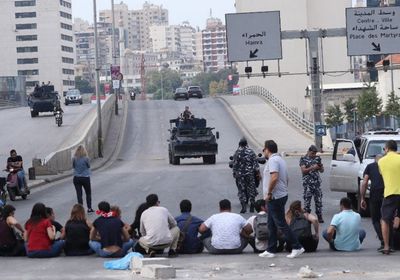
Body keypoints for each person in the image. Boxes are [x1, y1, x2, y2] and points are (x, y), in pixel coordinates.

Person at [260, 140, 305, 259]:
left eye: (263, 149)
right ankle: (271, 249)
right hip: (277, 196)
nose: (263, 152)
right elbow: (287, 178)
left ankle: (297, 247)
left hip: (275, 197)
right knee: (271, 224)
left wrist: (269, 193)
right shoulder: (279, 159)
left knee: (281, 224)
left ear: (267, 149)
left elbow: (274, 177)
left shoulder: (273, 160)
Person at [378, 140, 400, 255]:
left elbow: (382, 174)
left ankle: (386, 246)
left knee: (385, 220)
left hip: (390, 193)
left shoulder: (381, 161)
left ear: (386, 149)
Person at [360, 154, 385, 251]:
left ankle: (382, 239)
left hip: (374, 195)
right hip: (387, 194)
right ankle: (389, 241)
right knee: (386, 218)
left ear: (374, 160)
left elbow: (365, 182)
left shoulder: (370, 166)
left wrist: (362, 198)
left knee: (375, 219)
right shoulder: (386, 166)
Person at [232, 138, 260, 213]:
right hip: (250, 174)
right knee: (251, 188)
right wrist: (257, 173)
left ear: (240, 144)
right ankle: (252, 205)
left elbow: (234, 165)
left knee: (241, 190)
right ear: (246, 144)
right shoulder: (251, 152)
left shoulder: (237, 152)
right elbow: (256, 164)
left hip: (240, 175)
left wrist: (234, 173)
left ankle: (243, 206)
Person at [299, 145, 324, 223]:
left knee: (318, 201)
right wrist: (313, 167)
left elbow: (322, 170)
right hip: (308, 184)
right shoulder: (303, 159)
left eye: (315, 153)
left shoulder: (317, 158)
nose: (314, 155)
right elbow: (303, 170)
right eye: (313, 153)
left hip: (316, 183)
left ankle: (319, 216)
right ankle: (307, 217)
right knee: (307, 202)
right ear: (309, 151)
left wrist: (319, 167)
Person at [72, 145, 93, 213]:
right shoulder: (86, 158)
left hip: (76, 178)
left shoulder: (74, 158)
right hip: (85, 177)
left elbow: (73, 166)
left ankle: (80, 210)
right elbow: (88, 166)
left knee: (79, 194)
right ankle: (89, 208)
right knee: (88, 193)